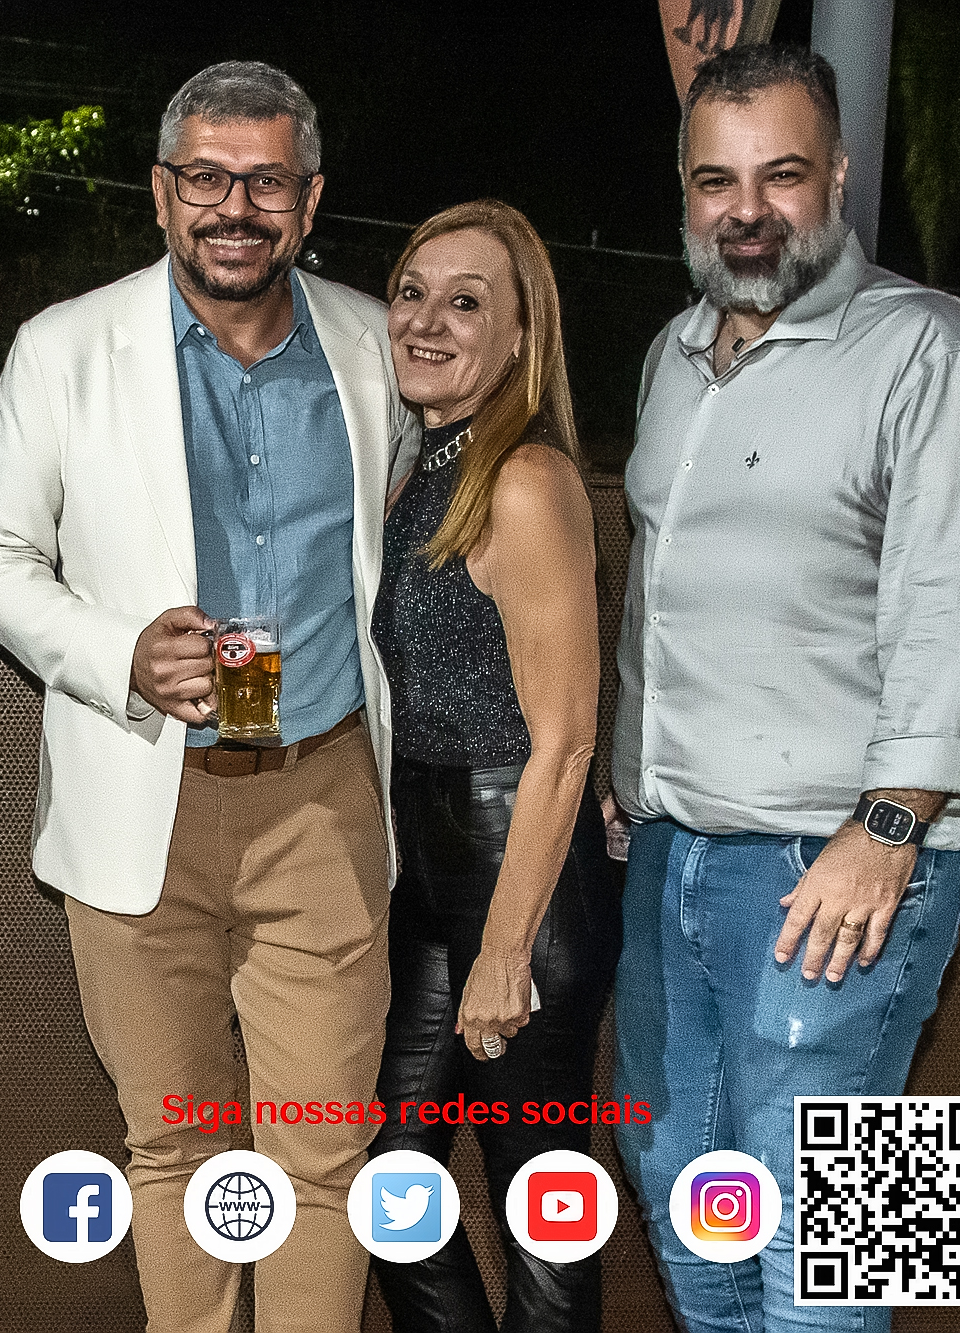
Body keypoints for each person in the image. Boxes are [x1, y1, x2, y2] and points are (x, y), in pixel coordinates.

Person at [0, 61, 417, 1332]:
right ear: (160, 193)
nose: (233, 208)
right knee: (174, 1146)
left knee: (321, 1151)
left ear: (308, 200)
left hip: (323, 797)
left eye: (264, 182)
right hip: (137, 799)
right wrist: (117, 653)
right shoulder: (63, 347)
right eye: (205, 178)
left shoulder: (376, 346)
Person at [610, 44, 960, 1333]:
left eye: (779, 175)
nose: (746, 210)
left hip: (852, 860)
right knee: (687, 1204)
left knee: (838, 1260)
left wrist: (888, 829)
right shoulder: (670, 355)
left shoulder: (937, 350)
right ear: (682, 189)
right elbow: (662, 590)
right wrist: (631, 772)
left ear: (836, 175)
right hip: (670, 852)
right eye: (714, 180)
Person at [365, 200, 618, 1332]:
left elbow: (564, 740)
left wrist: (506, 949)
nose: (425, 320)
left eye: (464, 302)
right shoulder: (420, 472)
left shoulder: (525, 479)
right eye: (411, 292)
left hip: (524, 881)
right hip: (427, 875)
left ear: (520, 337)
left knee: (542, 1207)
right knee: (392, 1184)